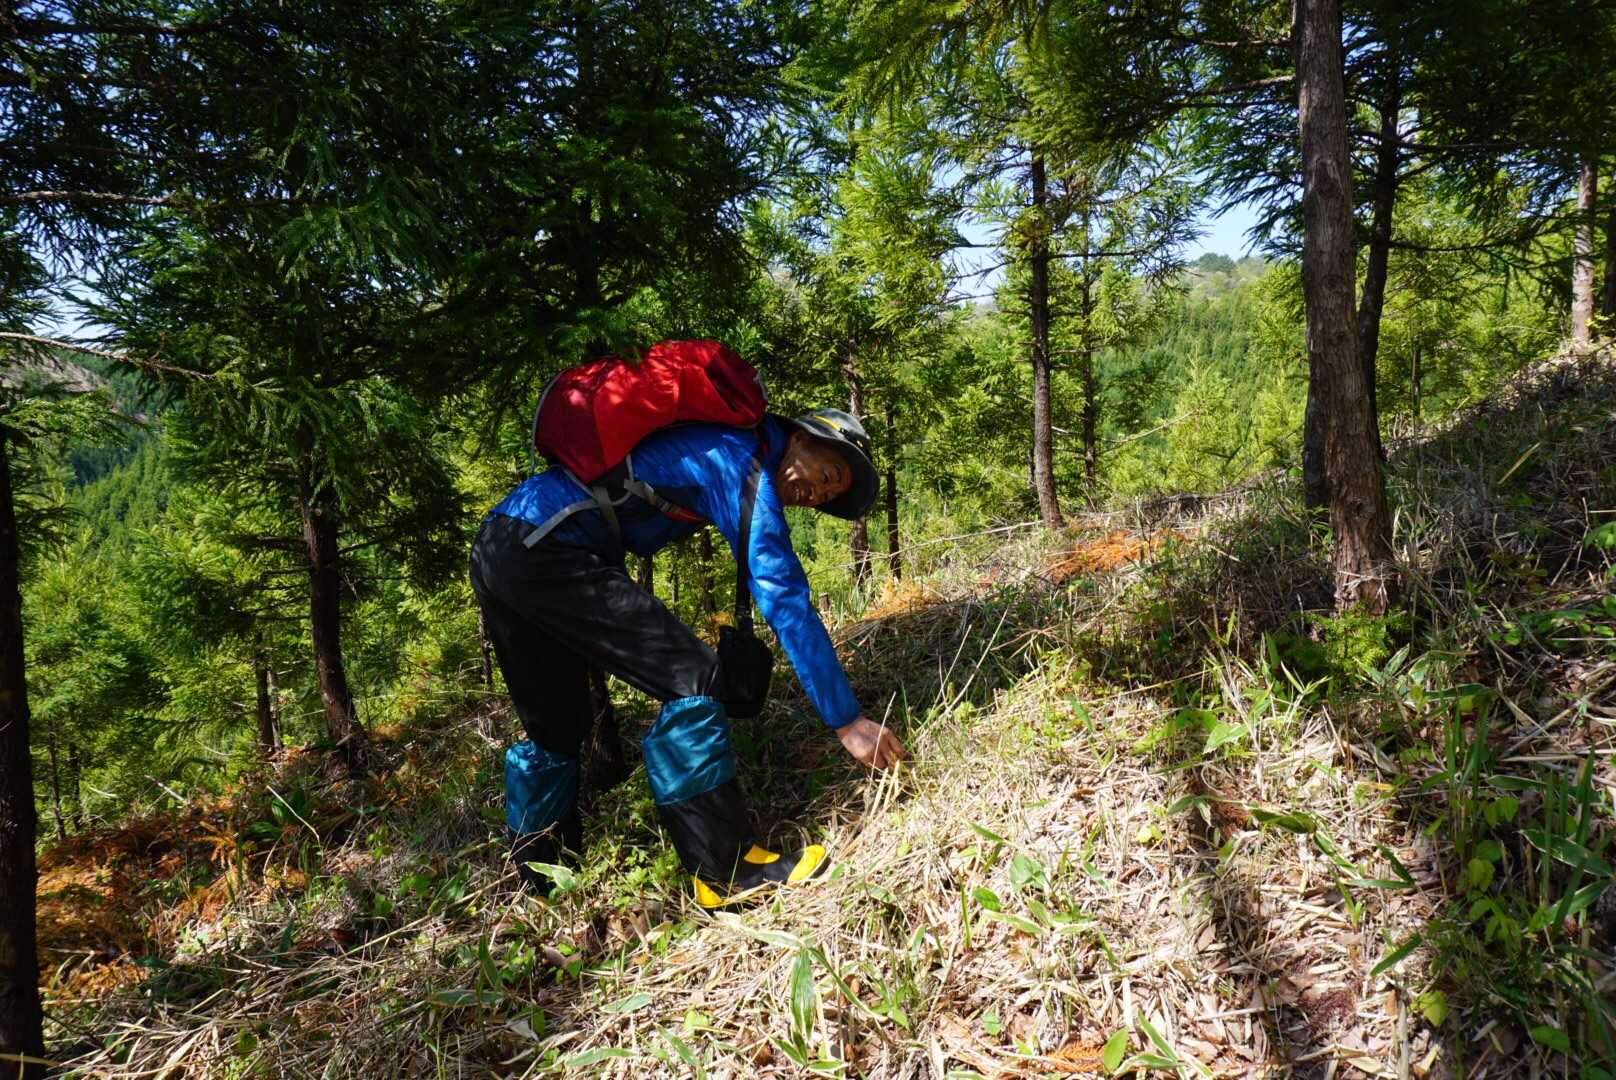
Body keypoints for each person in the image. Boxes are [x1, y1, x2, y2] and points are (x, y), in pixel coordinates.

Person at [469, 396, 905, 907]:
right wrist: (846, 720)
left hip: (500, 544)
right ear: (802, 437)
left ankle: (540, 887)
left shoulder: (731, 452)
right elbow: (782, 593)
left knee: (556, 729)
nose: (817, 493)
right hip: (550, 545)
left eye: (827, 497)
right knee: (695, 681)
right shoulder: (742, 459)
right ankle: (726, 871)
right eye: (828, 474)